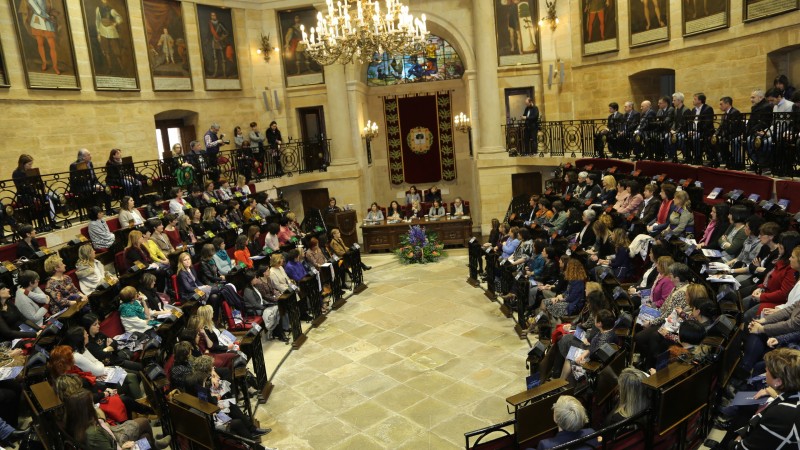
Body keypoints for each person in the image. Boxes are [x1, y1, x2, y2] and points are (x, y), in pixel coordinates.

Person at [732, 348, 800, 450]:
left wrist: (736, 442)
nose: (765, 371)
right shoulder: (793, 396)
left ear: (778, 381)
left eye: (767, 370)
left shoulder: (782, 414)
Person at [69, 149, 114, 215]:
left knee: (105, 187)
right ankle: (94, 212)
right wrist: (94, 186)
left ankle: (108, 210)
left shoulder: (90, 163)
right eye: (89, 155)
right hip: (81, 187)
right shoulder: (74, 165)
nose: (91, 156)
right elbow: (76, 180)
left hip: (92, 184)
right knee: (92, 191)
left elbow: (94, 177)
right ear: (83, 157)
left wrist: (97, 184)